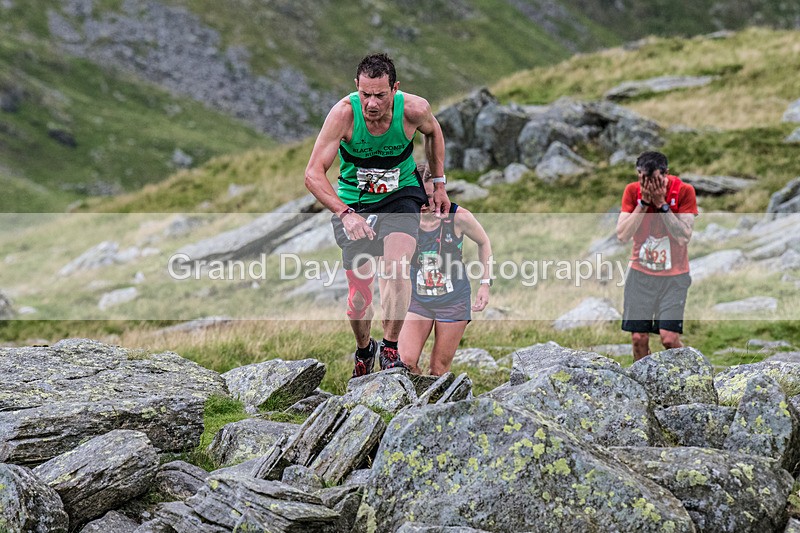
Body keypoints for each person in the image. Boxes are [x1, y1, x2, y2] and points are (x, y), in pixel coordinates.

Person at [304, 53, 450, 377]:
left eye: (380, 95)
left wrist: (438, 184)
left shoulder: (413, 110)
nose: (371, 103)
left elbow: (434, 132)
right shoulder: (343, 115)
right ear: (356, 87)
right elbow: (313, 174)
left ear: (395, 89)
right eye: (365, 94)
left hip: (401, 196)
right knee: (359, 299)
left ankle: (390, 347)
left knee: (398, 268)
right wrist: (345, 214)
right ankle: (364, 348)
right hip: (355, 203)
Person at [398, 163, 492, 375]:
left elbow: (484, 242)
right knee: (405, 362)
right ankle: (415, 403)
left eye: (430, 196)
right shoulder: (405, 219)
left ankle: (434, 406)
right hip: (418, 299)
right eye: (418, 196)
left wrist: (485, 284)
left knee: (438, 370)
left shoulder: (458, 217)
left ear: (440, 191)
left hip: (453, 301)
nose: (425, 202)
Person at [616, 151, 698, 361]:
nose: (647, 184)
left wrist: (662, 205)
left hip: (674, 276)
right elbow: (623, 235)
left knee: (668, 338)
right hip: (640, 274)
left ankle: (690, 373)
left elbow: (683, 236)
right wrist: (643, 204)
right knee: (638, 338)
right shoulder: (632, 191)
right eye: (642, 178)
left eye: (653, 179)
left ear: (666, 174)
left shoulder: (684, 191)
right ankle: (643, 383)